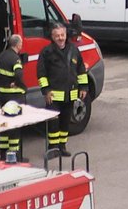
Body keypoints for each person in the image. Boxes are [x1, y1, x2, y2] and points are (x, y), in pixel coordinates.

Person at [35, 21, 90, 156]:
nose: (61, 38)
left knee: (65, 124)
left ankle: (62, 147)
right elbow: (41, 74)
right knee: (53, 124)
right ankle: (52, 148)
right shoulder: (47, 52)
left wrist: (83, 87)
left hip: (70, 95)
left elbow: (81, 70)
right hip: (53, 96)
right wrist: (46, 91)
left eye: (62, 35)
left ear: (66, 35)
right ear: (52, 37)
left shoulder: (74, 50)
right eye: (57, 35)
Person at [0, 37, 28, 163]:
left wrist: (1, 79)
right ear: (18, 45)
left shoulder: (1, 56)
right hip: (15, 95)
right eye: (21, 43)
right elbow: (18, 74)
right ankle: (14, 156)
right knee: (14, 127)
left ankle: (3, 154)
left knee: (4, 126)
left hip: (3, 94)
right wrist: (21, 86)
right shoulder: (15, 58)